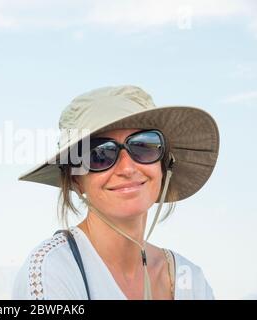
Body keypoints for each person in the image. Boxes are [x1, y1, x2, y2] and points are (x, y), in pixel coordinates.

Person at [12, 85, 219, 300]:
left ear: (164, 164)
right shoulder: (54, 271)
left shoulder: (190, 280)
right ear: (76, 180)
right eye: (99, 154)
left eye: (143, 146)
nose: (127, 168)